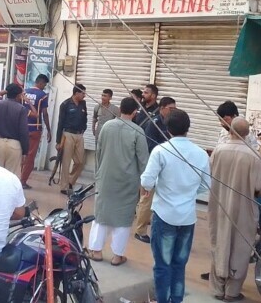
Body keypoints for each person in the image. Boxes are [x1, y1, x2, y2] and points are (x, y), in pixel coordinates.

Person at [141, 109, 210, 303]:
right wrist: (188, 194)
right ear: (188, 128)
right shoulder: (201, 153)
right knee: (179, 265)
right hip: (188, 217)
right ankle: (176, 300)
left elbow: (147, 181)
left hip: (164, 215)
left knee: (163, 265)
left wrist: (150, 187)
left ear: (167, 128)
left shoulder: (161, 151)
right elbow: (206, 185)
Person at [207, 117, 261, 302]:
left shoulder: (218, 151)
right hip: (244, 209)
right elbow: (260, 188)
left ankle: (217, 289)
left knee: (219, 242)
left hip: (218, 206)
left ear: (230, 131)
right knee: (240, 247)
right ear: (248, 134)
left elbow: (210, 174)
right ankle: (232, 292)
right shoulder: (254, 156)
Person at [88, 97, 149, 266]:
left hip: (106, 177)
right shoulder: (137, 131)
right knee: (123, 217)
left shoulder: (107, 126)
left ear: (120, 109)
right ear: (135, 112)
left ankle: (97, 250)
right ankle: (117, 255)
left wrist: (98, 174)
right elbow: (143, 160)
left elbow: (98, 152)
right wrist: (145, 184)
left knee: (101, 214)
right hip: (127, 181)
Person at [134, 96, 177, 244]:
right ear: (162, 108)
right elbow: (149, 146)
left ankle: (152, 225)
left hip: (166, 168)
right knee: (146, 199)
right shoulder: (154, 123)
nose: (173, 111)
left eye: (175, 109)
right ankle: (140, 231)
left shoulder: (170, 123)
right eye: (171, 108)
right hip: (153, 167)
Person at [56, 84, 88, 194]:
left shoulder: (83, 104)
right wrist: (58, 141)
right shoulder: (65, 104)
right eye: (83, 93)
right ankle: (64, 187)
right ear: (76, 93)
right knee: (66, 162)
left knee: (80, 161)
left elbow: (85, 118)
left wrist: (84, 129)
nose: (84, 95)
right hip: (67, 134)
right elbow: (60, 123)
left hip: (79, 135)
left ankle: (71, 181)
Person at [22, 74, 52, 189]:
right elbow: (44, 114)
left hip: (23, 127)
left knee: (21, 154)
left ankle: (17, 177)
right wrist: (49, 130)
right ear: (40, 82)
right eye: (44, 84)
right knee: (30, 156)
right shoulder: (43, 95)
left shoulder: (24, 92)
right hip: (35, 128)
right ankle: (23, 181)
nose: (44, 86)